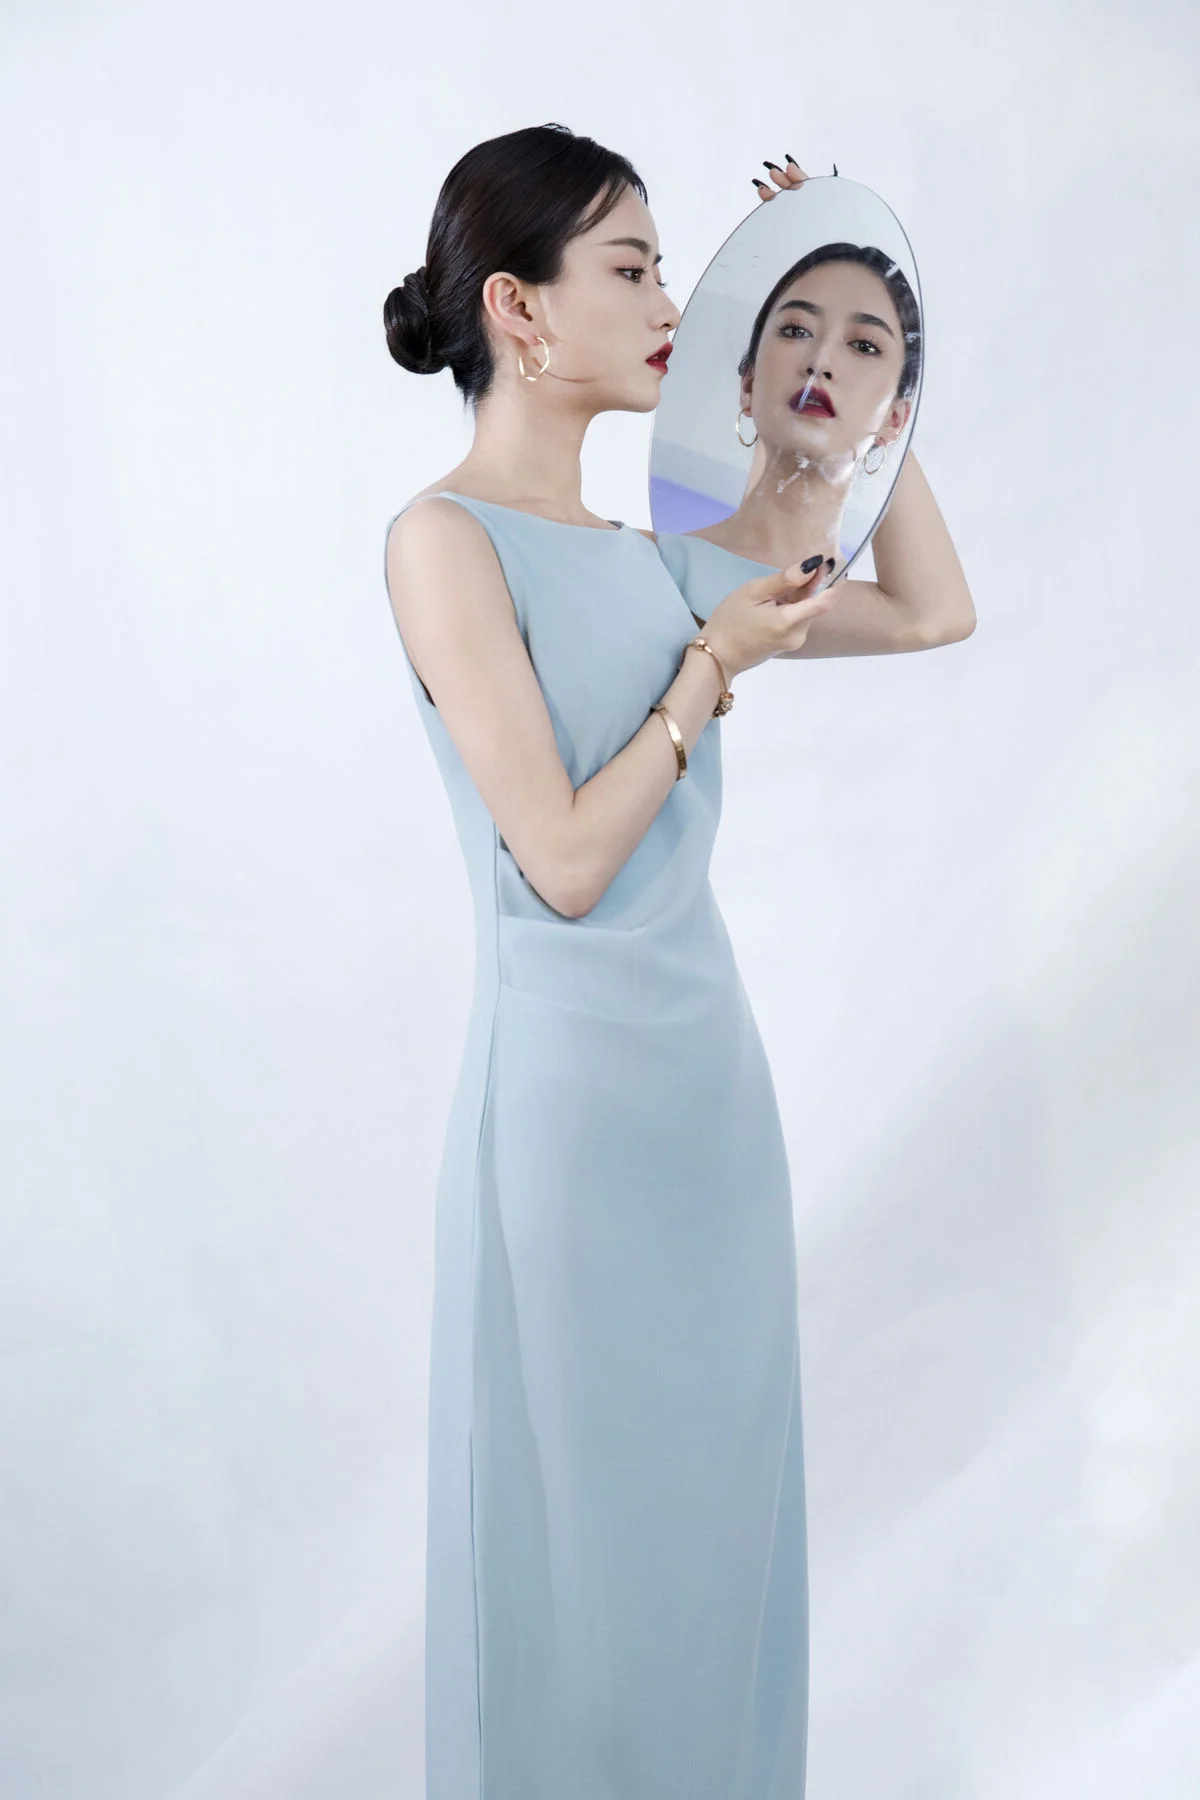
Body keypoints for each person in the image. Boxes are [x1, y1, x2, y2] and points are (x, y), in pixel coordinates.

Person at [382, 125, 973, 1800]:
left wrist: (860, 335)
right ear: (518, 308)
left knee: (710, 1554)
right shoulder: (445, 543)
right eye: (636, 270)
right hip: (567, 1123)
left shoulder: (670, 546)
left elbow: (933, 608)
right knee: (580, 1563)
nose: (671, 305)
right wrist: (706, 668)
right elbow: (563, 865)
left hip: (709, 1115)